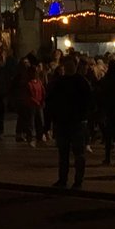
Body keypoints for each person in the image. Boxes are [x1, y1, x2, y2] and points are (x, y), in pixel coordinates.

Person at [45, 54, 93, 189]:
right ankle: (63, 179)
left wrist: (84, 117)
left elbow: (89, 102)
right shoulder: (59, 82)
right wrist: (50, 121)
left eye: (71, 64)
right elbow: (51, 102)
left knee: (78, 154)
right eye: (67, 65)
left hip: (77, 122)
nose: (69, 67)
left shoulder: (81, 82)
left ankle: (78, 180)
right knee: (63, 154)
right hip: (63, 122)